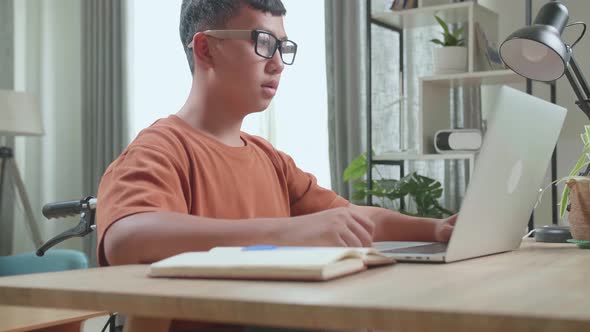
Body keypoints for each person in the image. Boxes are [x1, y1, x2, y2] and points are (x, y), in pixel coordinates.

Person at [96, 0, 456, 330]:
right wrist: (287, 235)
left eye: (282, 46)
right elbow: (127, 237)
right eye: (263, 42)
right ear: (206, 48)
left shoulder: (270, 159)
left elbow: (353, 221)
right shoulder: (159, 149)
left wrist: (438, 228)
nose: (278, 63)